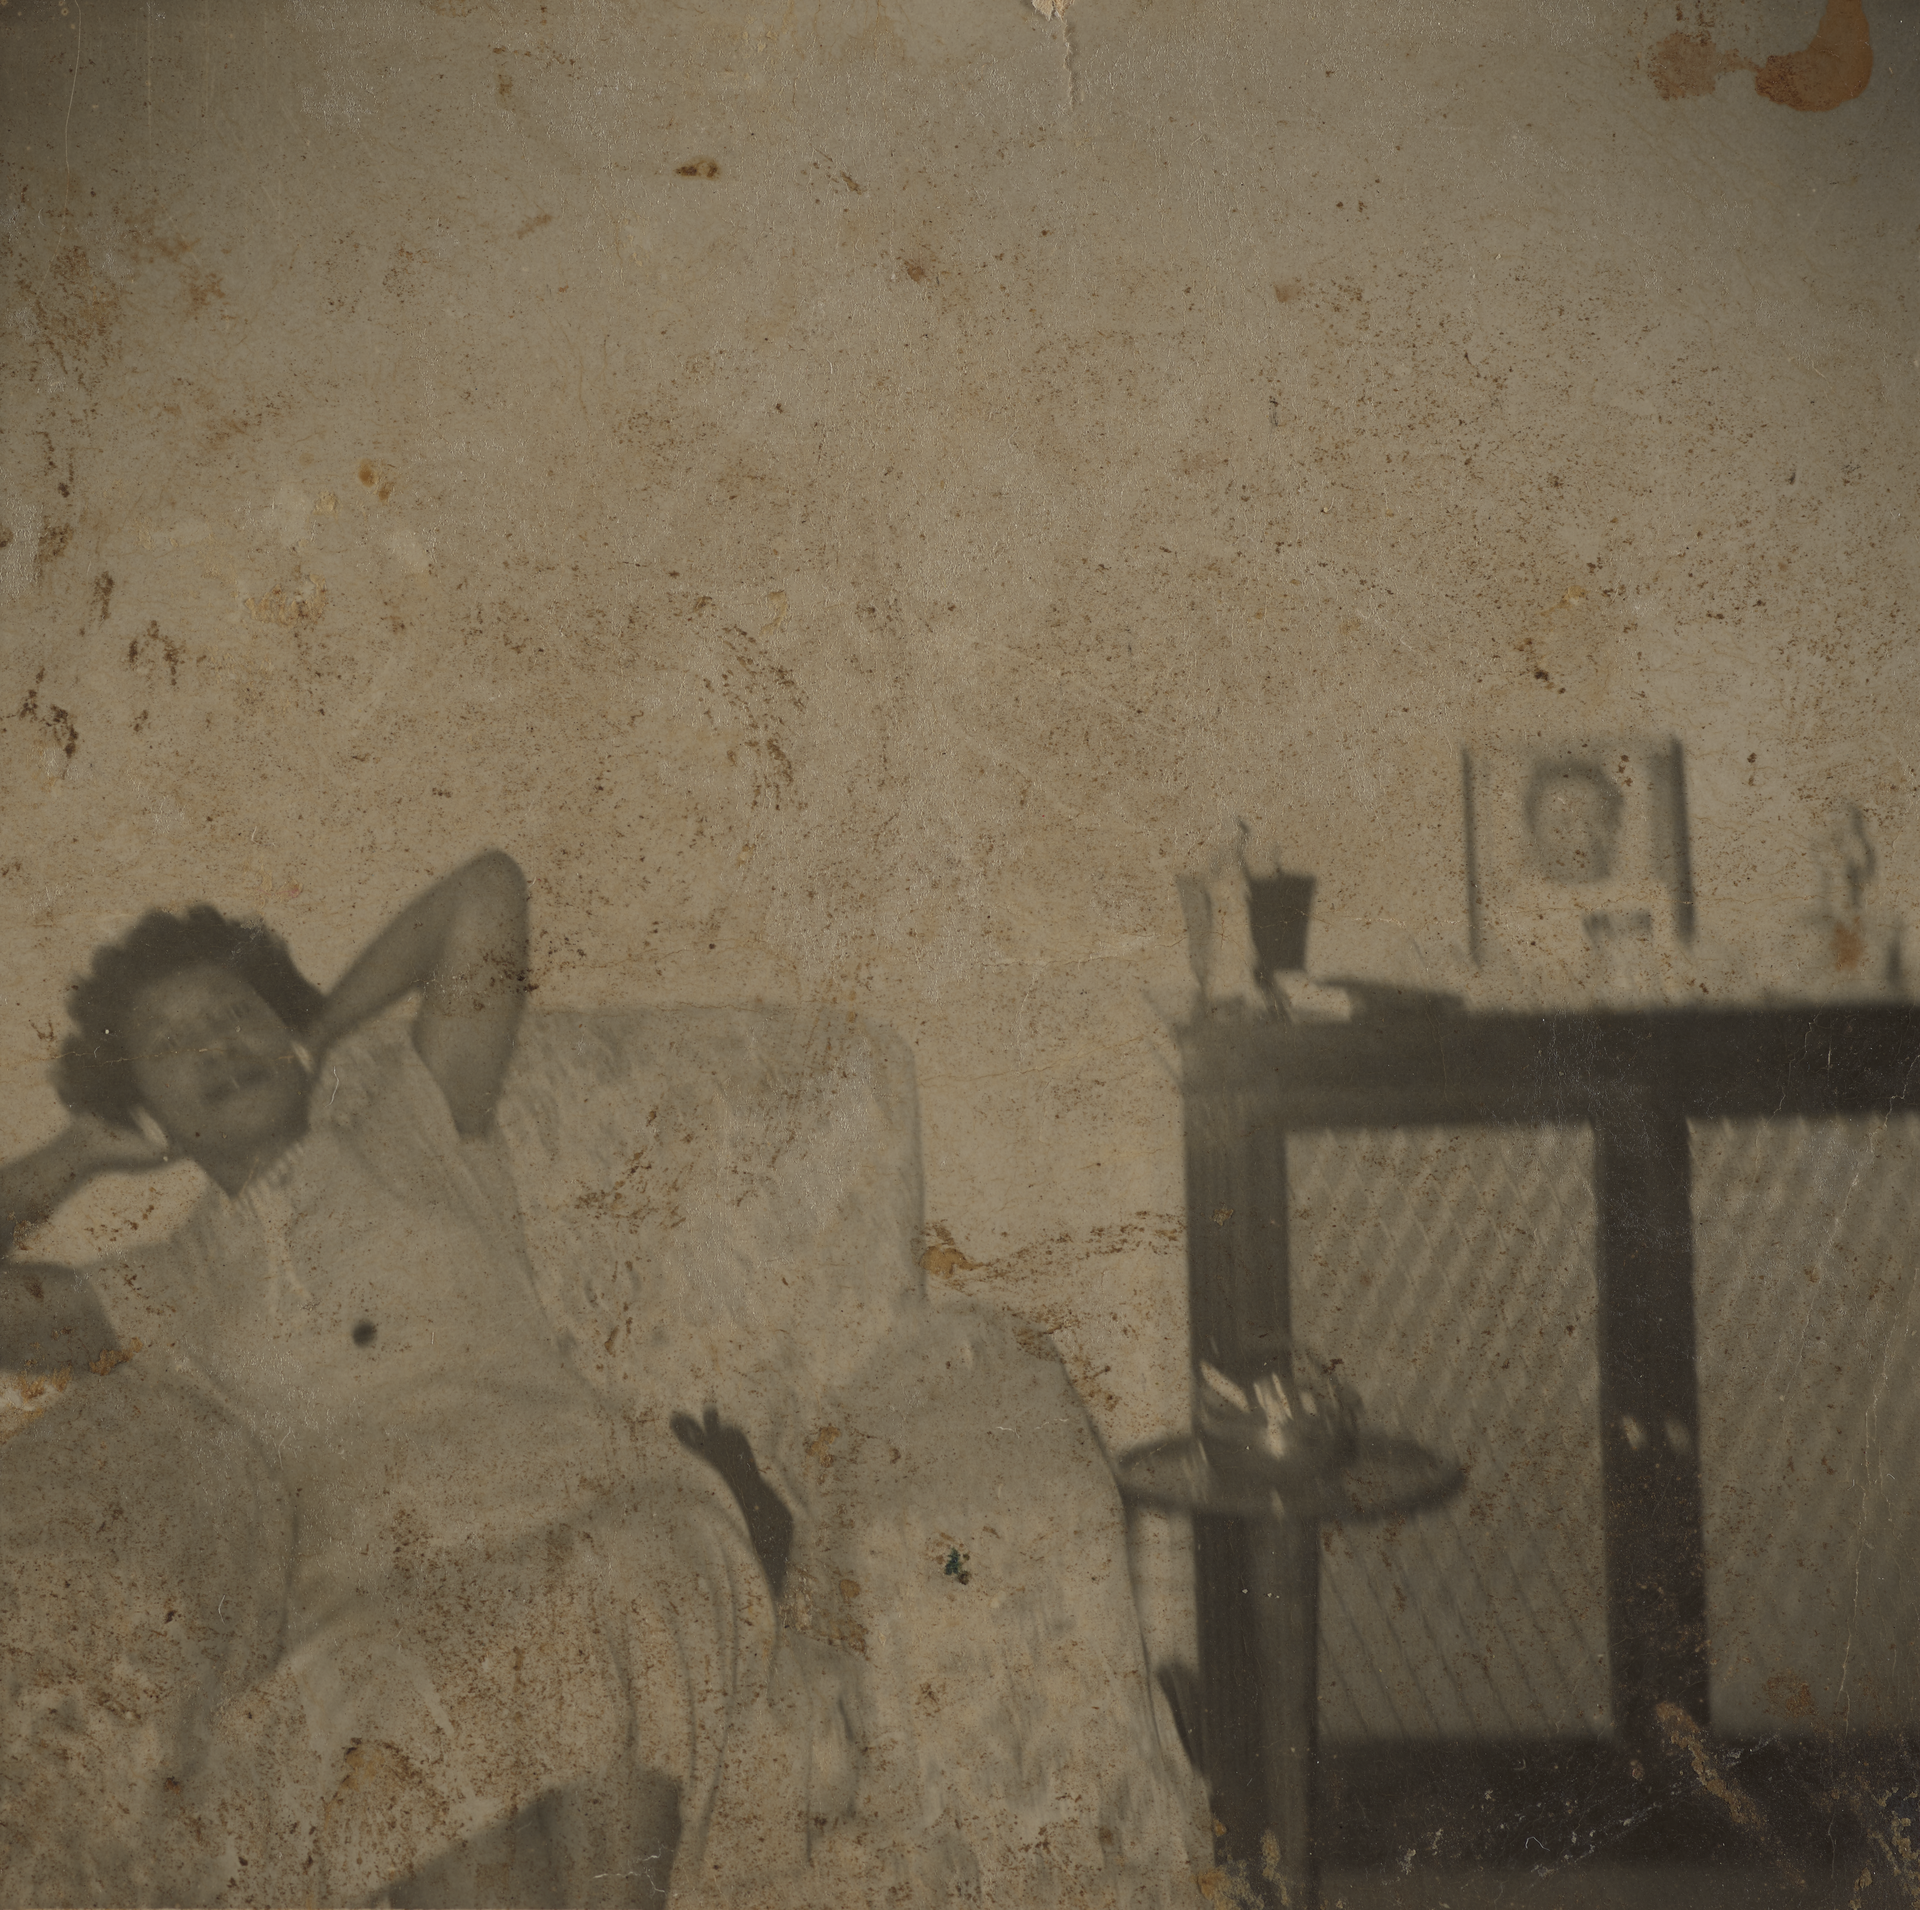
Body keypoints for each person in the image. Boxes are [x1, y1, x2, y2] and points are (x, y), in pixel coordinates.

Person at [1, 853, 809, 1907]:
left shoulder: (419, 1123)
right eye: (171, 1043)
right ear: (142, 1103)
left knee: (613, 1579)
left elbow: (488, 892)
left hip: (593, 1519)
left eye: (236, 1012)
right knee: (389, 1718)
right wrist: (73, 1155)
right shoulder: (167, 1285)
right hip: (389, 1602)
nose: (216, 1044)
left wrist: (323, 1030)